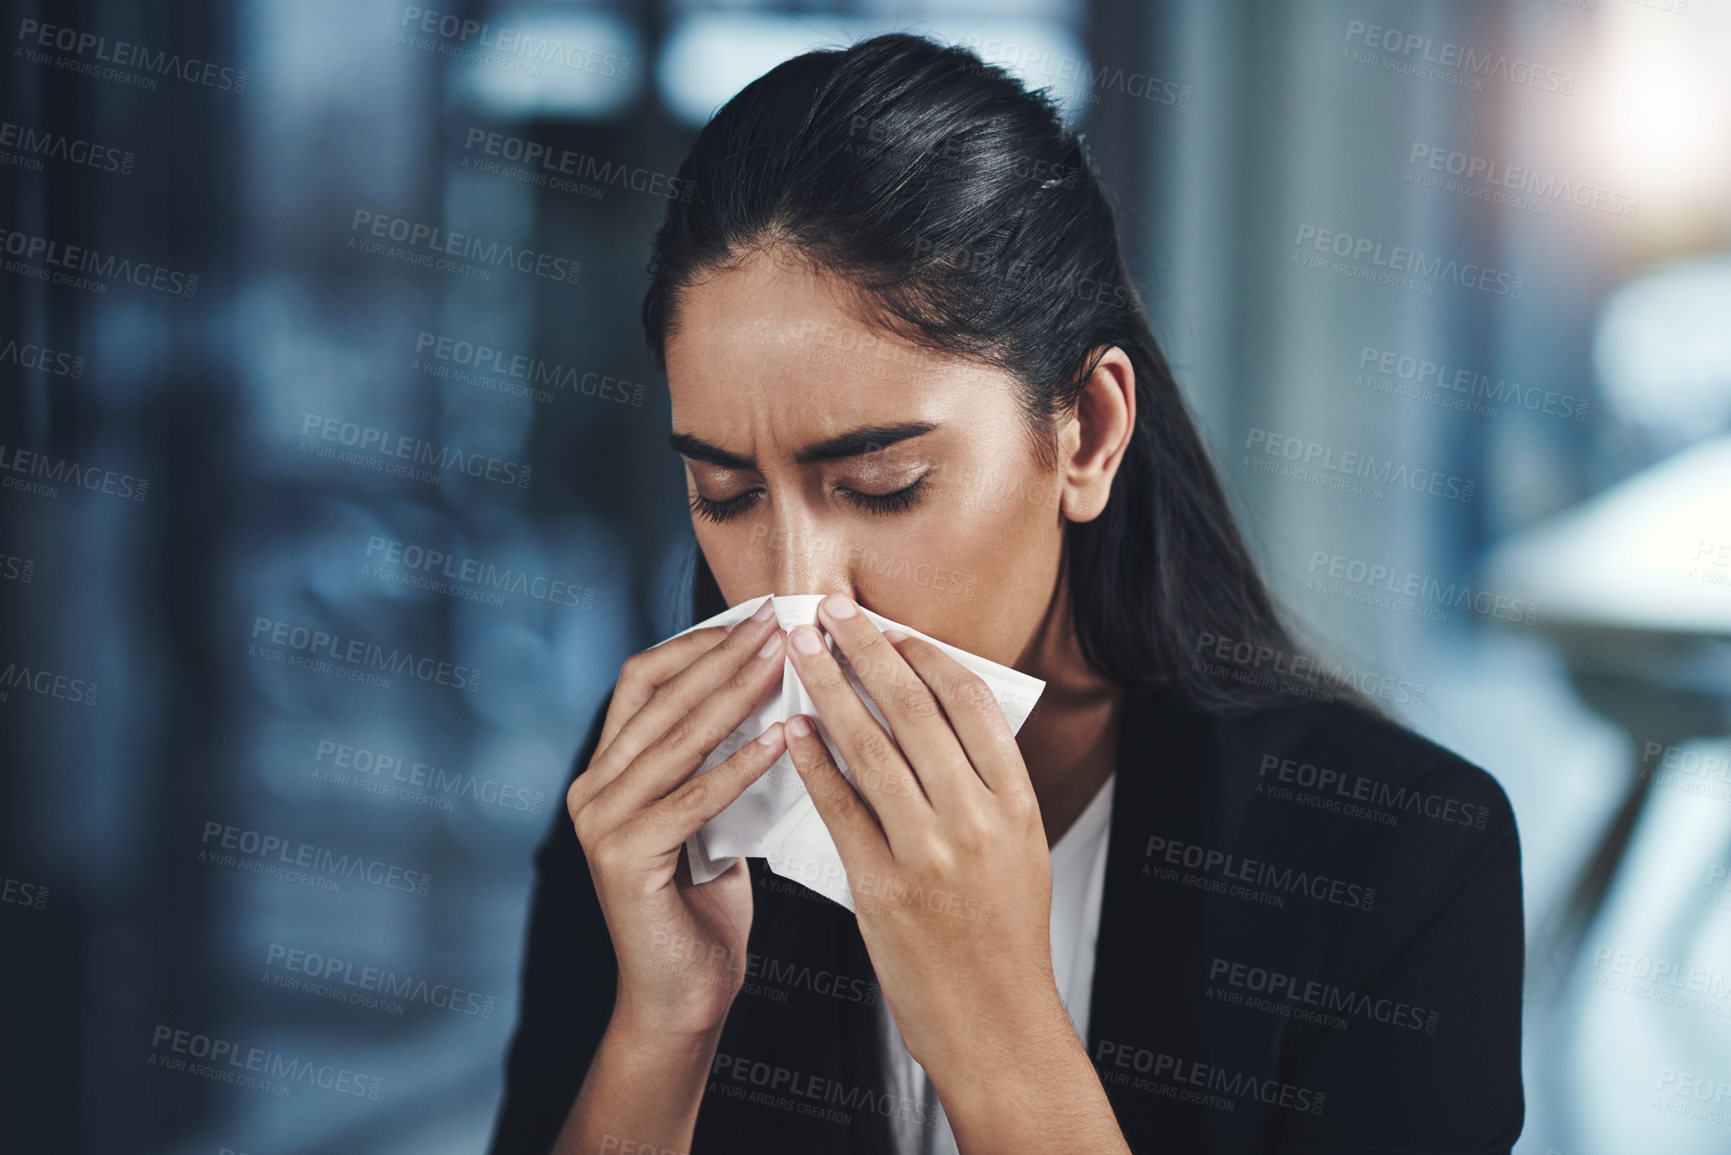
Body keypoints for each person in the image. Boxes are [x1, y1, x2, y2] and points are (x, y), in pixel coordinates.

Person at [487, 31, 1524, 1155]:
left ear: (1087, 434)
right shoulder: (661, 792)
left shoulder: (1398, 860)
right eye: (727, 494)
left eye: (884, 487)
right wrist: (666, 1025)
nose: (800, 595)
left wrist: (1001, 1036)